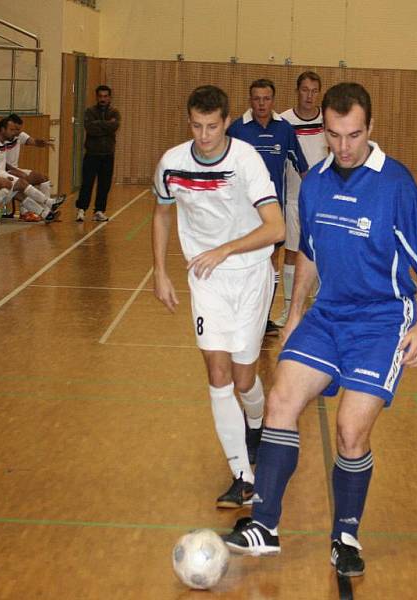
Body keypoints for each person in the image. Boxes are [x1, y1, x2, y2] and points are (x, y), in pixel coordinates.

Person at [223, 83, 417, 579]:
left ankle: (345, 533)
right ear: (322, 129)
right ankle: (264, 525)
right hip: (328, 314)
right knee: (282, 402)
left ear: (371, 128)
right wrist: (296, 311)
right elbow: (308, 252)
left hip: (383, 321)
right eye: (334, 135)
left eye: (354, 134)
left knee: (350, 430)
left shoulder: (395, 184)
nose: (344, 146)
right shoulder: (318, 181)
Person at [152, 85, 285, 508]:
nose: (204, 135)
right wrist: (160, 270)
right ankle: (242, 475)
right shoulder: (172, 163)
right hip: (205, 278)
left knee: (245, 380)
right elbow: (161, 213)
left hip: (249, 275)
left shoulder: (246, 160)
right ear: (188, 121)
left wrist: (226, 248)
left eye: (212, 126)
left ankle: (259, 422)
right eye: (196, 125)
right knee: (217, 374)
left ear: (227, 121)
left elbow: (276, 227)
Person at [227, 79, 307, 338]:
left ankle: (262, 319)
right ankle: (240, 316)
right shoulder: (237, 129)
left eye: (266, 98)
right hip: (241, 215)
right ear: (250, 100)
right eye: (257, 98)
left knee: (270, 264)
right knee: (242, 264)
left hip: (273, 215)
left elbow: (302, 167)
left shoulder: (284, 130)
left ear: (273, 100)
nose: (261, 104)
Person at [275, 71, 329, 326]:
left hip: (325, 201)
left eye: (314, 90)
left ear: (319, 92)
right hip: (294, 199)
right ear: (297, 91)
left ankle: (319, 309)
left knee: (323, 253)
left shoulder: (328, 119)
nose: (309, 95)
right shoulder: (284, 122)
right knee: (292, 253)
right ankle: (288, 309)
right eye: (305, 90)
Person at [0, 116, 57, 223]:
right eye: (11, 130)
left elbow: (34, 141)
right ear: (3, 129)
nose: (15, 133)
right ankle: (49, 202)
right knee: (21, 183)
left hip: (1, 172)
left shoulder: (2, 142)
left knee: (19, 194)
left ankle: (46, 214)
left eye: (16, 130)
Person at [75, 85, 120, 222]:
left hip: (107, 154)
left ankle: (99, 211)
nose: (103, 99)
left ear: (110, 97)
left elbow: (114, 126)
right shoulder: (90, 111)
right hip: (92, 154)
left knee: (104, 184)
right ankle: (81, 209)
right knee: (87, 183)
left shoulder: (114, 112)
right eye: (100, 96)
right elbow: (90, 129)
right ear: (97, 97)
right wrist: (106, 126)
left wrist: (100, 124)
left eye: (105, 96)